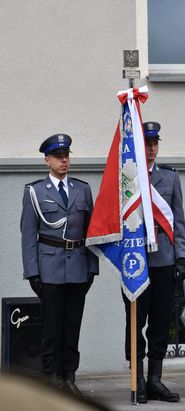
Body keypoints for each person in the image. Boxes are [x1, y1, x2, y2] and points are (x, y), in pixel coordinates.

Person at [20, 134, 99, 394]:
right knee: (51, 327)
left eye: (66, 156)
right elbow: (29, 235)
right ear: (47, 160)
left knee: (72, 325)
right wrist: (33, 272)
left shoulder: (82, 189)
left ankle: (69, 376)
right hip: (50, 268)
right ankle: (51, 376)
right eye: (58, 156)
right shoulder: (35, 192)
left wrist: (91, 268)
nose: (64, 161)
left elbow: (91, 233)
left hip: (77, 266)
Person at [122, 122, 185, 403]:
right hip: (136, 261)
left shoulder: (170, 178)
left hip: (163, 261)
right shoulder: (127, 176)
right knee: (135, 323)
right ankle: (136, 378)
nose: (151, 148)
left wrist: (182, 256)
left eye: (154, 143)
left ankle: (155, 379)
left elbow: (179, 220)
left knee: (160, 323)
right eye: (146, 143)